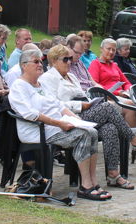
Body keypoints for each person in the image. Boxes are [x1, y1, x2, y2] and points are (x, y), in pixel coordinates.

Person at [40, 45, 136, 189]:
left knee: (110, 128)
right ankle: (134, 139)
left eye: (70, 59)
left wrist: (89, 103)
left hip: (84, 111)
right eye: (65, 59)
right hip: (69, 117)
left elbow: (83, 95)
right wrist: (80, 106)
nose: (69, 62)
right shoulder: (48, 78)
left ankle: (113, 174)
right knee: (108, 107)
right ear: (53, 60)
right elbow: (55, 104)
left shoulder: (71, 76)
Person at [8, 48, 111, 201]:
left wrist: (77, 120)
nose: (40, 65)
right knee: (83, 135)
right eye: (35, 62)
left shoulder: (40, 85)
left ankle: (93, 182)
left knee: (92, 132)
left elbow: (59, 106)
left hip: (55, 126)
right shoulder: (19, 86)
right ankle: (86, 186)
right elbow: (30, 114)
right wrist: (59, 123)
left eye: (40, 61)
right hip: (39, 131)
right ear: (24, 65)